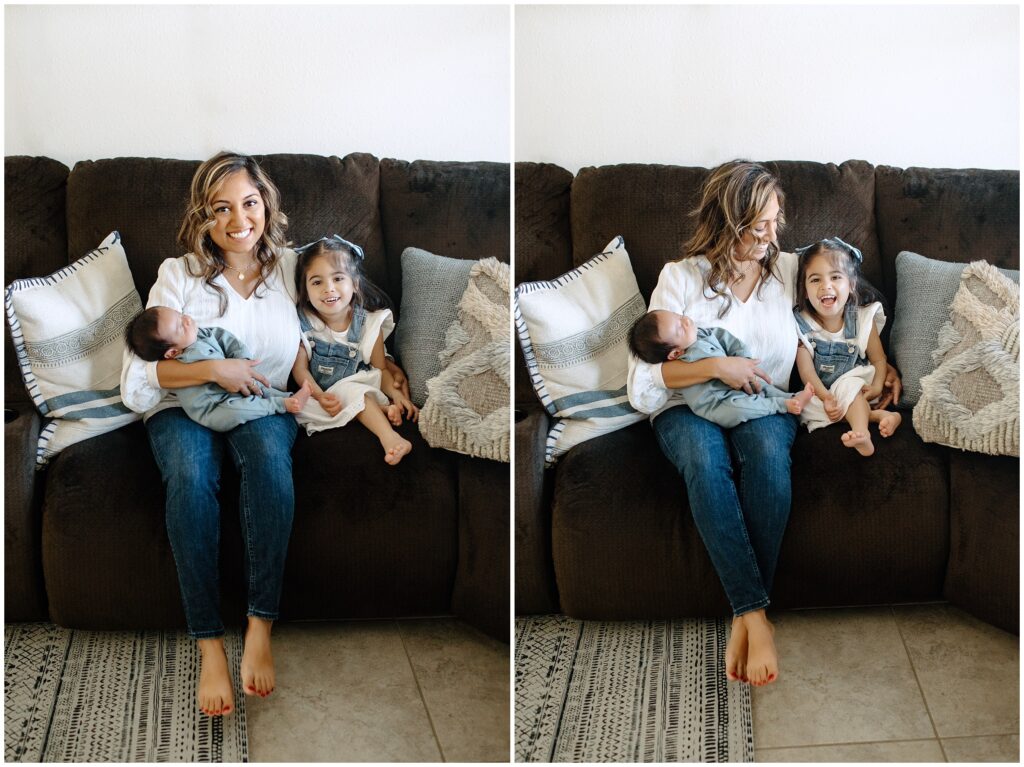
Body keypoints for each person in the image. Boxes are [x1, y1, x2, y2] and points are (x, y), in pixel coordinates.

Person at [120, 151, 411, 717]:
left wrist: (388, 364)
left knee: (271, 471)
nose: (238, 221)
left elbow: (346, 304)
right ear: (202, 216)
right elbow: (137, 376)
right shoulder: (177, 275)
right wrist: (212, 369)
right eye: (221, 208)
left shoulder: (288, 268)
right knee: (188, 475)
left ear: (266, 205)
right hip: (183, 405)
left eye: (248, 203)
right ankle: (208, 645)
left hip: (266, 403)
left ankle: (259, 628)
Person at [627, 160, 902, 688]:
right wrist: (714, 367)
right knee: (706, 464)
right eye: (761, 226)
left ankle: (741, 615)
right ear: (728, 222)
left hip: (769, 400)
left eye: (776, 222)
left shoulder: (787, 270)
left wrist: (884, 364)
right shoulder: (680, 278)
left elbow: (846, 293)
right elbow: (641, 383)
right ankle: (756, 614)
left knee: (771, 463)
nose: (774, 235)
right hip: (687, 407)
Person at [290, 235, 418, 465]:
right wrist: (319, 395)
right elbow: (300, 370)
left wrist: (396, 394)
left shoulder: (368, 324)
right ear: (305, 290)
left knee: (354, 392)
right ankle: (379, 410)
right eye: (317, 282)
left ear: (355, 283)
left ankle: (390, 437)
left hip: (360, 386)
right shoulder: (303, 325)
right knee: (292, 411)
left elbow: (380, 370)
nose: (328, 289)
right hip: (322, 396)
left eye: (338, 278)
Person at [793, 237, 902, 455]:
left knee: (848, 386)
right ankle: (880, 417)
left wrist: (879, 385)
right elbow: (806, 371)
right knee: (801, 409)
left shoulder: (861, 318)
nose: (826, 286)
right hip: (823, 391)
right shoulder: (802, 325)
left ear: (851, 284)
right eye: (815, 280)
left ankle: (862, 434)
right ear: (804, 290)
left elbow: (879, 359)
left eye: (835, 277)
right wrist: (826, 398)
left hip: (862, 384)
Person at [124, 305, 312, 431]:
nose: (187, 320)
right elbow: (141, 378)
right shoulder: (183, 362)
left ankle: (289, 398)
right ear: (172, 353)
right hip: (216, 407)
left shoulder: (202, 333)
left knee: (258, 386)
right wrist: (216, 370)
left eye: (181, 315)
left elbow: (227, 339)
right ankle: (281, 405)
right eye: (180, 326)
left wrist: (242, 359)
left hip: (238, 386)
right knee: (240, 411)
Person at [628, 308, 814, 428]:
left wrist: (744, 359)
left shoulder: (703, 333)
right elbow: (649, 380)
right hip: (720, 402)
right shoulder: (683, 362)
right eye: (679, 328)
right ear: (675, 354)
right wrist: (717, 367)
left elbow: (729, 340)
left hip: (740, 381)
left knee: (762, 386)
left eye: (678, 316)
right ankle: (782, 405)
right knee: (742, 408)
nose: (685, 321)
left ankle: (792, 398)